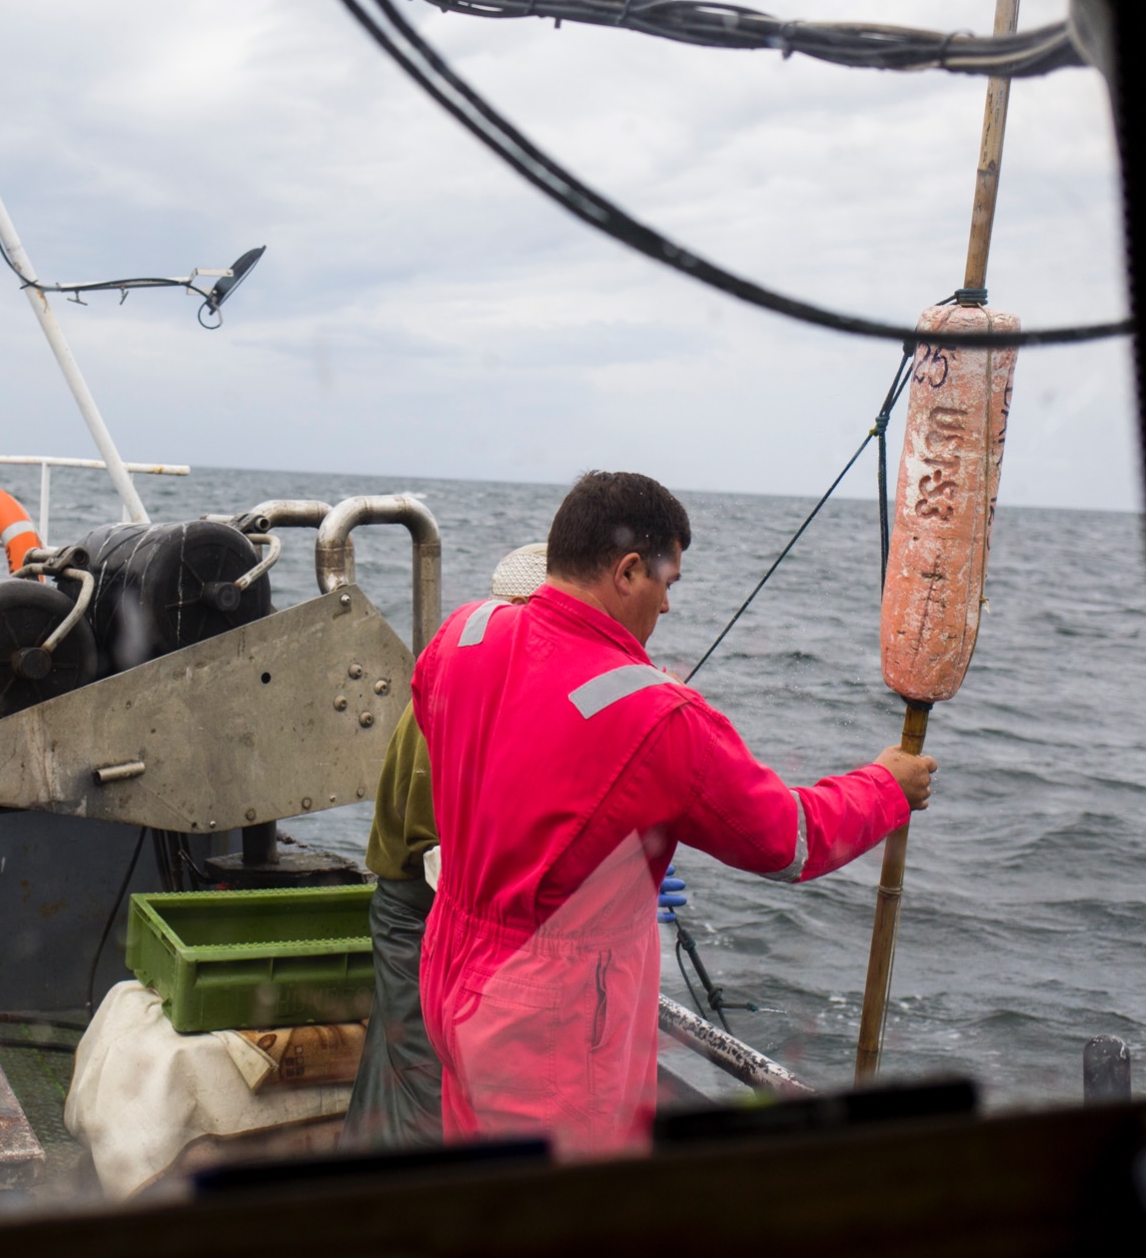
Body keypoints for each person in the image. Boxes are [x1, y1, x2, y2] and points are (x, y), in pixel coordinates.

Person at [414, 471, 935, 1156]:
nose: (666, 606)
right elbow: (791, 840)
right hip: (549, 1020)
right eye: (667, 583)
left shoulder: (463, 633)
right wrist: (887, 786)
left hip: (451, 970)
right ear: (628, 570)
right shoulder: (659, 717)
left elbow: (459, 739)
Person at [340, 543, 548, 1151]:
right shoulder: (471, 698)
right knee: (427, 1090)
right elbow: (442, 855)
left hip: (412, 910)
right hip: (421, 917)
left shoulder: (459, 673)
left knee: (393, 1069)